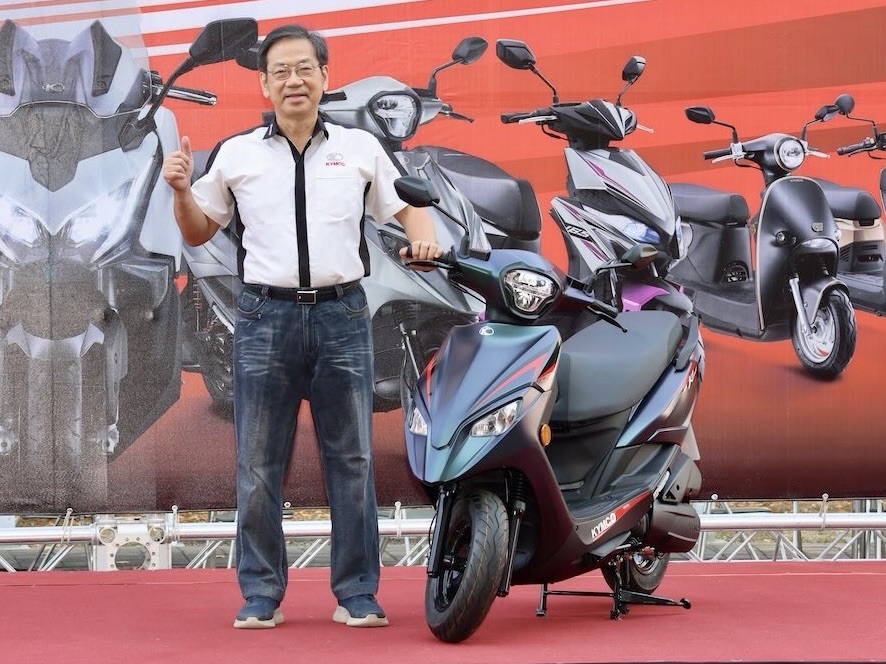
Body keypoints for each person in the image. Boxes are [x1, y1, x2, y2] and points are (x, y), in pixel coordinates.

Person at [162, 23, 443, 629]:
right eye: (281, 71)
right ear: (264, 85)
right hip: (265, 319)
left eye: (304, 68)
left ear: (324, 76)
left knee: (352, 460)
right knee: (258, 463)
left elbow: (408, 206)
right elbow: (197, 230)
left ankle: (357, 593)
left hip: (343, 315)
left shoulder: (360, 148)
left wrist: (424, 237)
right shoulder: (238, 153)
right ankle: (261, 593)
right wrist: (182, 191)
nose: (294, 80)